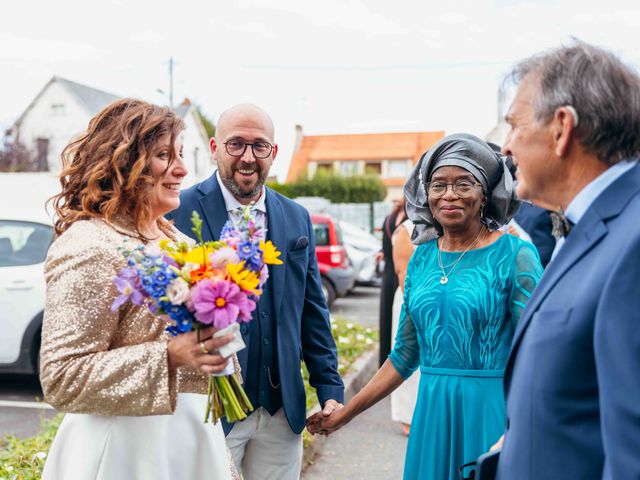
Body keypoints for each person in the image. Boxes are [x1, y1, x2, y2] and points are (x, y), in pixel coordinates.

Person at [308, 133, 543, 480]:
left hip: (492, 412)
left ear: (485, 195)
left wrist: (525, 426)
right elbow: (404, 354)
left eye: (464, 183)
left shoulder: (514, 256)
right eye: (438, 185)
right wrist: (347, 413)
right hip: (432, 413)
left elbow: (538, 352)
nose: (449, 194)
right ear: (426, 194)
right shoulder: (422, 261)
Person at [40, 99, 237, 479]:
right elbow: (62, 376)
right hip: (123, 454)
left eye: (180, 154)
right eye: (164, 155)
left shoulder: (175, 239)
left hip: (189, 442)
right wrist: (169, 356)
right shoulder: (88, 245)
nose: (182, 169)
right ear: (123, 161)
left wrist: (221, 337)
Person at [168, 103, 344, 480]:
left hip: (282, 410)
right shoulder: (178, 210)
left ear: (274, 153)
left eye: (259, 146)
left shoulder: (296, 216)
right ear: (214, 148)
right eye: (236, 145)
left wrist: (329, 386)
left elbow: (312, 311)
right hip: (212, 409)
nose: (248, 158)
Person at [493, 40, 640, 479]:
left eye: (515, 126)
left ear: (562, 128)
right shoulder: (586, 225)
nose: (505, 147)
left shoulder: (632, 244)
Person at [389, 218, 424, 436]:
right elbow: (403, 274)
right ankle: (408, 417)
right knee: (410, 361)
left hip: (439, 301)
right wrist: (417, 310)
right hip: (410, 301)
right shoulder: (407, 230)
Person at [376, 198, 407, 366]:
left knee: (397, 318)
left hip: (401, 270)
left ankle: (394, 362)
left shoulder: (409, 217)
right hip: (390, 271)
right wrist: (382, 251)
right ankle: (386, 362)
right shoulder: (392, 216)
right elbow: (387, 242)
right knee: (387, 317)